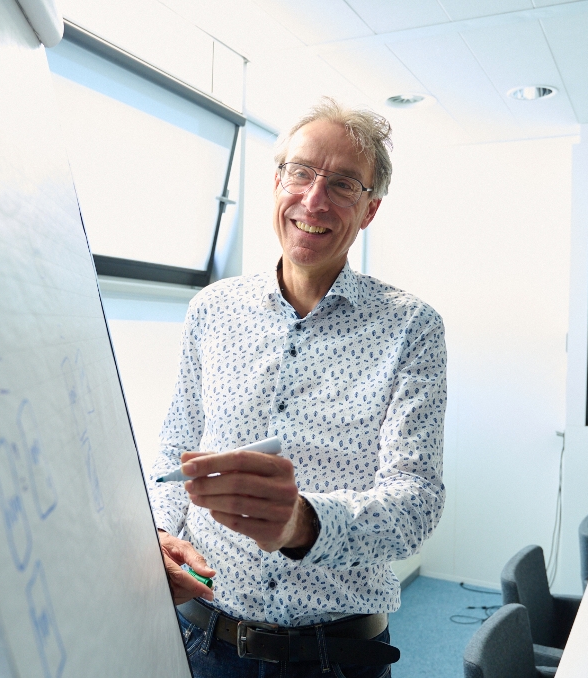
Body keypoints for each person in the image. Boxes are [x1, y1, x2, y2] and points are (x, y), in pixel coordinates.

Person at [147, 97, 447, 678]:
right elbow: (174, 445)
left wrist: (303, 523)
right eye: (302, 173)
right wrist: (160, 530)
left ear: (370, 211)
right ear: (277, 181)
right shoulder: (211, 310)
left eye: (343, 184)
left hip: (335, 658)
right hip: (205, 641)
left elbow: (416, 504)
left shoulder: (412, 328)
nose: (314, 200)